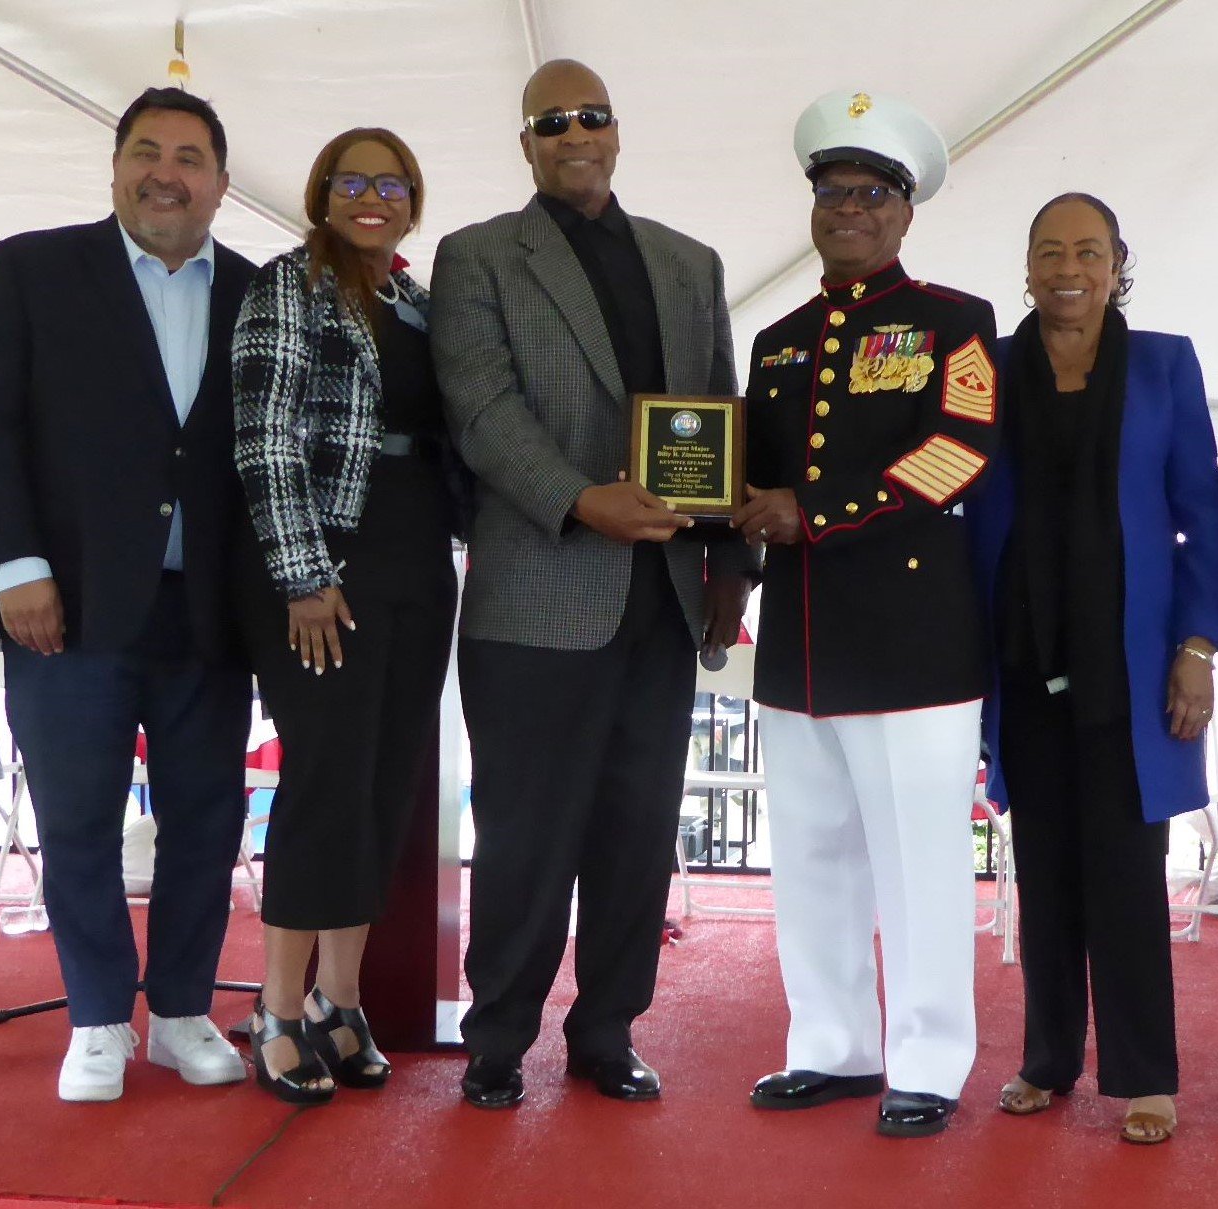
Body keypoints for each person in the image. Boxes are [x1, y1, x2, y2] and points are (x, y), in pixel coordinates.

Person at [429, 59, 751, 1109]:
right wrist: (578, 497)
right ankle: (498, 1039)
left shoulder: (688, 262)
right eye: (551, 121)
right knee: (524, 830)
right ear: (525, 144)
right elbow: (481, 412)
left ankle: (607, 1031)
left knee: (636, 829)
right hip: (534, 596)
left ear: (618, 132)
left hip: (662, 596)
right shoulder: (476, 256)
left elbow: (718, 417)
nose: (576, 133)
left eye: (593, 116)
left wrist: (730, 573)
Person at [0, 87, 257, 1103]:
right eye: (145, 150)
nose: (164, 172)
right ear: (115, 163)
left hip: (210, 607)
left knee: (206, 820)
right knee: (77, 819)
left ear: (220, 181)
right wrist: (17, 569)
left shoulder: (257, 292)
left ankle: (177, 1013)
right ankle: (95, 1018)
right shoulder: (36, 267)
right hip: (69, 605)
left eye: (188, 156)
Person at [732, 89, 996, 1140]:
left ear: (903, 211)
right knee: (809, 854)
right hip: (797, 644)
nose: (847, 209)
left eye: (869, 193)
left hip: (912, 644)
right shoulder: (778, 338)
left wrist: (819, 512)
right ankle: (830, 1045)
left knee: (918, 862)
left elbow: (956, 452)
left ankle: (928, 1060)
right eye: (830, 192)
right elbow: (744, 478)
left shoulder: (954, 322)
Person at [963, 193, 1218, 1145]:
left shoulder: (1163, 364)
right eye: (1047, 250)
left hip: (1133, 660)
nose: (1066, 266)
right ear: (1025, 266)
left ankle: (1144, 1074)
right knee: (1042, 869)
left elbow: (1203, 510)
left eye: (1087, 250)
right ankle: (1047, 1058)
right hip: (1022, 654)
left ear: (1118, 263)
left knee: (1123, 870)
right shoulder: (984, 369)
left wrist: (1198, 643)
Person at [228, 126, 459, 1105]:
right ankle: (277, 1011)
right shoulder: (289, 285)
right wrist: (302, 574)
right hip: (324, 567)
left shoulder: (420, 301)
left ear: (413, 198)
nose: (374, 196)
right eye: (353, 181)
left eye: (392, 182)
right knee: (325, 781)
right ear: (322, 193)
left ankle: (340, 1002)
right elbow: (263, 434)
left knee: (382, 787)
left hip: (417, 564)